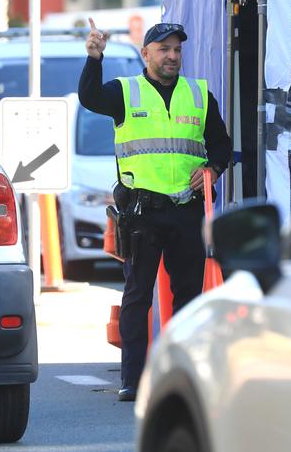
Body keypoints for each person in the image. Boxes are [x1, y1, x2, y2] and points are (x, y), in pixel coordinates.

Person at [78, 20, 232, 402]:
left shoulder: (199, 95)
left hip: (185, 211)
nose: (172, 56)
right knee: (137, 296)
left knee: (189, 297)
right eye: (163, 49)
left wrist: (212, 169)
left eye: (177, 49)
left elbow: (222, 145)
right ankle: (133, 378)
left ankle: (183, 375)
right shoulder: (124, 92)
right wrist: (94, 58)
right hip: (142, 213)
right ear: (145, 54)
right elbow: (89, 97)